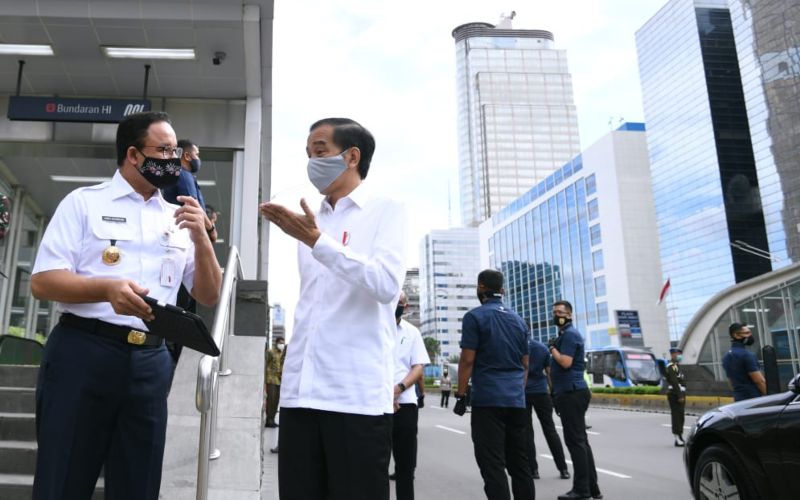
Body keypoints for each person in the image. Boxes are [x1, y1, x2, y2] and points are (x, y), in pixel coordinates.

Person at [29, 111, 222, 500]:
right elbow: (42, 281)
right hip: (83, 354)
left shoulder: (178, 218)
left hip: (150, 363)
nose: (173, 159)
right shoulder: (84, 203)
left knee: (139, 486)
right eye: (164, 150)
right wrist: (106, 289)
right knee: (63, 480)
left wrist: (202, 239)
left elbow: (209, 294)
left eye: (175, 150)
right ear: (134, 155)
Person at [259, 117, 407, 500]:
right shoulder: (311, 221)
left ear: (352, 156)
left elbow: (386, 285)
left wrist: (318, 242)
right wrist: (312, 236)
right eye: (308, 153)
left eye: (320, 150)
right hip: (300, 392)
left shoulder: (385, 210)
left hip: (354, 395)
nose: (312, 161)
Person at [453, 269, 535, 500]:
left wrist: (460, 395)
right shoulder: (518, 320)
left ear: (480, 288)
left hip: (488, 400)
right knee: (520, 464)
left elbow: (467, 359)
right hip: (516, 401)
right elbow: (526, 364)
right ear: (502, 290)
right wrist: (518, 392)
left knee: (493, 465)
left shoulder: (474, 317)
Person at [161, 139, 218, 372]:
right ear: (185, 155)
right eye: (196, 153)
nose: (197, 158)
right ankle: (171, 356)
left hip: (181, 242)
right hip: (180, 243)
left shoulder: (185, 177)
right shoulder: (182, 175)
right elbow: (193, 207)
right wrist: (211, 231)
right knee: (181, 306)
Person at [548, 300, 602, 500]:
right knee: (581, 442)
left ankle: (581, 490)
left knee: (575, 442)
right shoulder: (567, 334)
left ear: (569, 315)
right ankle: (592, 488)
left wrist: (552, 349)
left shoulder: (569, 335)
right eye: (554, 312)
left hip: (571, 393)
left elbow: (565, 362)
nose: (556, 315)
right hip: (571, 392)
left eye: (560, 312)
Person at [390, 292, 430, 500]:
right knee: (371, 467)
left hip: (405, 406)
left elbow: (418, 367)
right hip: (374, 406)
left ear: (405, 307)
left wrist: (398, 389)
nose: (394, 305)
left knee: (405, 468)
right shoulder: (371, 330)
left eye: (399, 302)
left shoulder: (412, 332)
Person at [526, 336, 570, 480]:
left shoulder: (516, 346)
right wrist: (554, 393)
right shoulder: (542, 348)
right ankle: (563, 468)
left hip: (523, 393)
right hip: (541, 392)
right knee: (550, 430)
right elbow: (550, 373)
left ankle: (533, 470)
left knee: (526, 432)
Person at [722, 323, 766, 401]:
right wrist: (769, 397)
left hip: (738, 399)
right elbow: (759, 381)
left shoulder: (726, 356)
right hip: (753, 399)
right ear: (736, 335)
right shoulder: (747, 355)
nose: (750, 336)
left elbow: (731, 383)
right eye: (747, 333)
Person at [665, 347, 686, 446]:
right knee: (677, 416)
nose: (679, 355)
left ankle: (680, 436)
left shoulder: (677, 366)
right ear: (673, 354)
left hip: (679, 393)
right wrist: (680, 395)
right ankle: (677, 437)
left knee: (681, 416)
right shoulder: (671, 366)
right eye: (678, 353)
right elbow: (674, 382)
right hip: (675, 394)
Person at [265, 337, 286, 428]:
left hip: (279, 380)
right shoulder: (270, 352)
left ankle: (272, 419)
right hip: (271, 379)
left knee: (276, 401)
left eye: (283, 343)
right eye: (280, 343)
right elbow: (265, 364)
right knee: (271, 400)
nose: (282, 345)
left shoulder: (283, 354)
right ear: (276, 343)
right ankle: (269, 420)